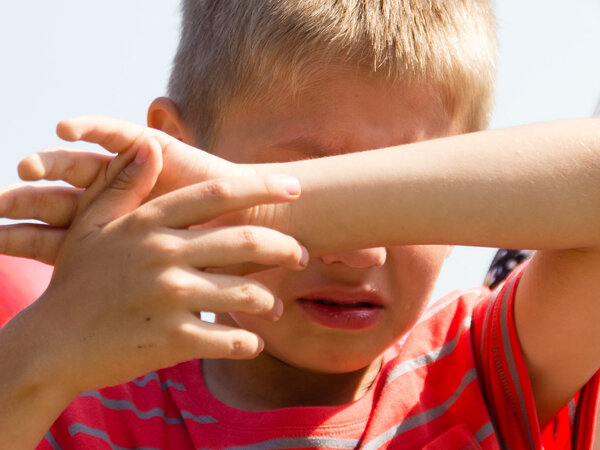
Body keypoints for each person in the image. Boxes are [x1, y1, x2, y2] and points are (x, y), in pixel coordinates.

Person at [0, 1, 599, 448]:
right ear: (176, 148)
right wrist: (46, 347)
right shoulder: (84, 414)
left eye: (399, 194)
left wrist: (276, 208)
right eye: (303, 174)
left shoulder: (483, 368)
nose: (357, 251)